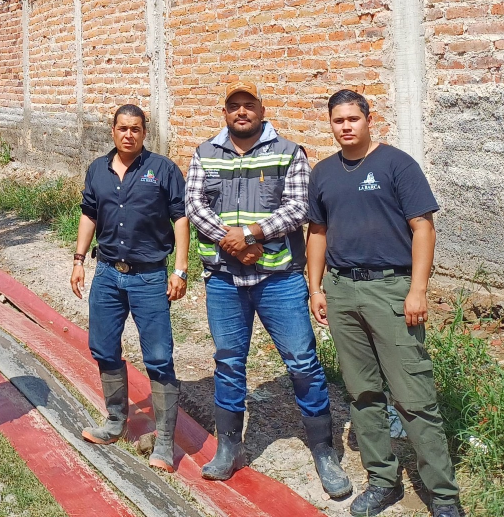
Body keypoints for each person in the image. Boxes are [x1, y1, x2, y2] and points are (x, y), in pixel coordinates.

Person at [185, 80, 350, 498]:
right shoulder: (205, 153)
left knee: (302, 361)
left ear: (261, 108)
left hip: (280, 279)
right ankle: (229, 448)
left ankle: (323, 452)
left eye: (249, 105)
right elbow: (195, 205)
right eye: (233, 106)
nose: (242, 112)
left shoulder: (290, 153)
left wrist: (254, 233)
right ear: (224, 112)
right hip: (224, 278)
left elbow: (298, 208)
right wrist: (233, 242)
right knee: (228, 361)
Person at [307, 90, 460, 517]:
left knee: (414, 397)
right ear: (331, 124)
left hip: (391, 291)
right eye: (338, 121)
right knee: (363, 393)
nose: (346, 127)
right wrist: (316, 288)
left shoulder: (396, 164)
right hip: (341, 291)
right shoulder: (323, 173)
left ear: (369, 120)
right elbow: (317, 233)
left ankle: (444, 496)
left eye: (353, 118)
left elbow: (422, 228)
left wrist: (418, 289)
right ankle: (382, 480)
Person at [70, 104, 190, 472]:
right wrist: (78, 259)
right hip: (107, 273)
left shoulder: (163, 170)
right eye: (123, 128)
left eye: (135, 129)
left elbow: (181, 218)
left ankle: (165, 441)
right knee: (103, 348)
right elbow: (89, 213)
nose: (128, 135)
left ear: (144, 132)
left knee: (158, 356)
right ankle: (115, 421)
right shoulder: (97, 170)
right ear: (113, 131)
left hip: (150, 277)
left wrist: (181, 271)